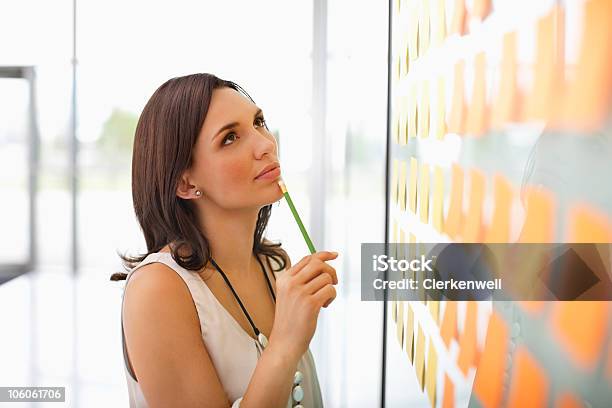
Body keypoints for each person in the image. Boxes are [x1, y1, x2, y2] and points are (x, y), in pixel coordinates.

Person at [110, 73, 339, 407]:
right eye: (230, 138)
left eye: (258, 122)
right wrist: (286, 342)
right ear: (186, 183)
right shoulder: (158, 290)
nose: (266, 144)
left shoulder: (276, 266)